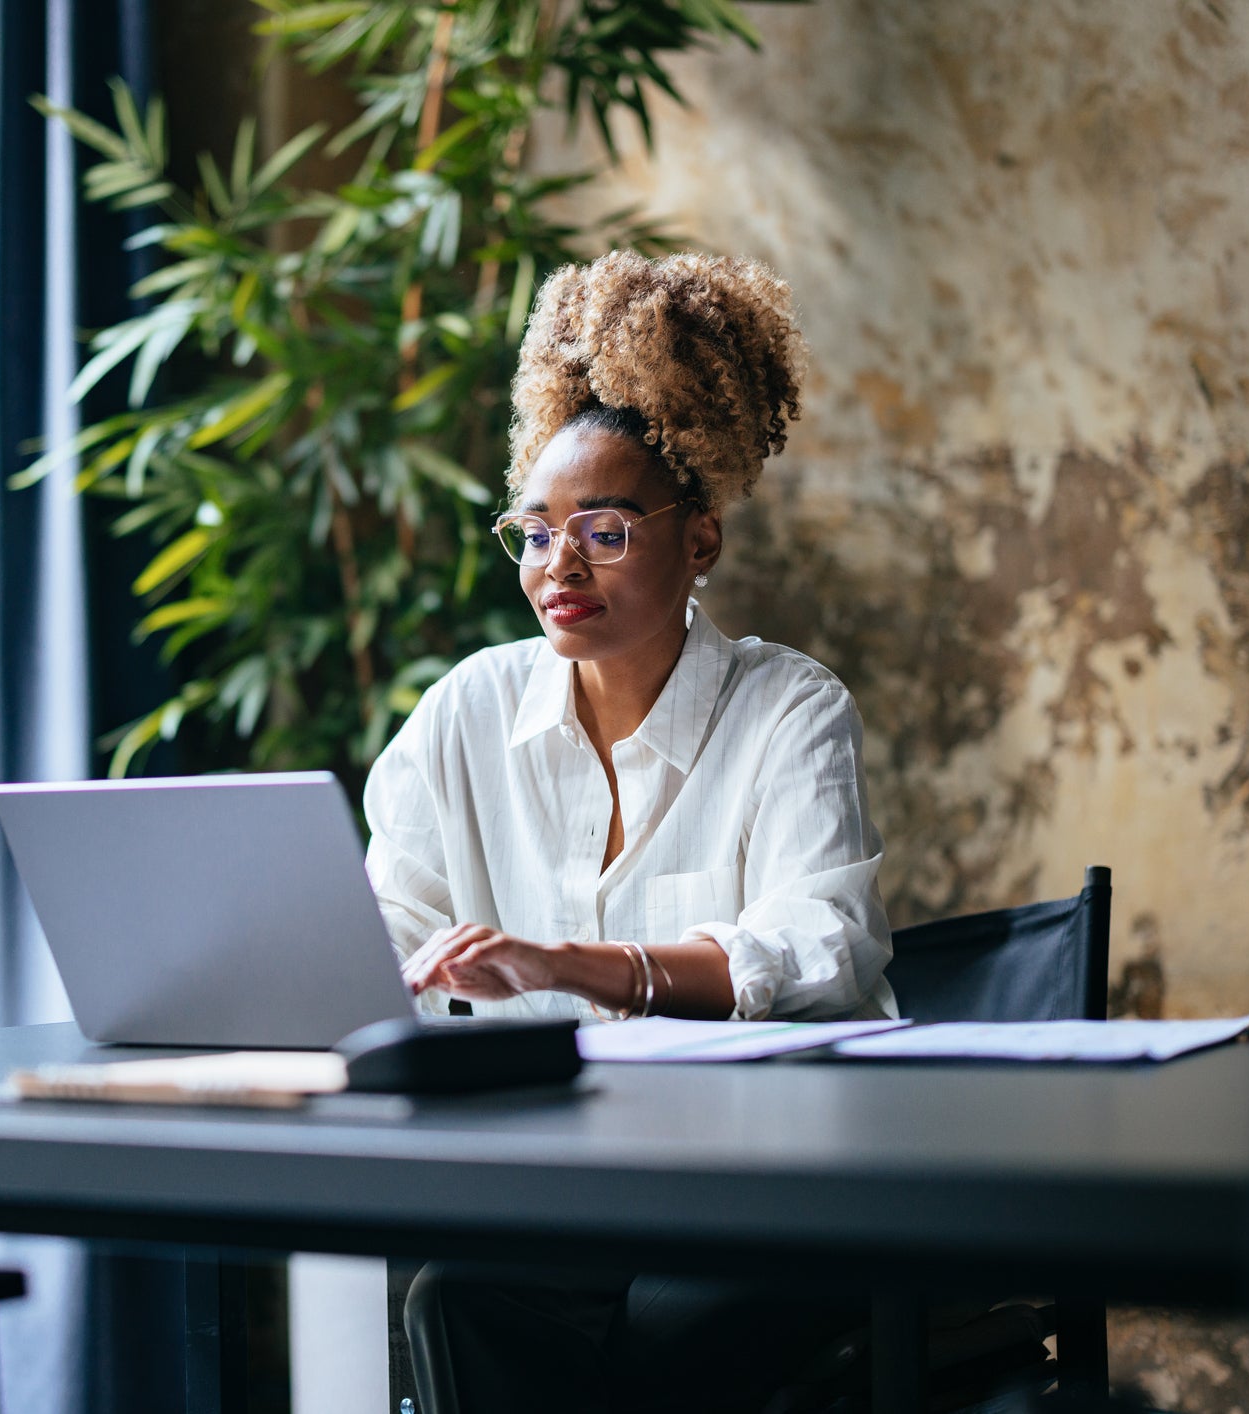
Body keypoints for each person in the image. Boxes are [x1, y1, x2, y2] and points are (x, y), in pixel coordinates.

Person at [363, 250, 893, 1413]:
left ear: (696, 540)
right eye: (537, 531)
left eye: (602, 530)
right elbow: (380, 946)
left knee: (655, 1333)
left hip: (769, 1191)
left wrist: (569, 966)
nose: (559, 565)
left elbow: (818, 945)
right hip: (561, 1194)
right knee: (454, 1292)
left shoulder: (788, 709)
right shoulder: (463, 714)